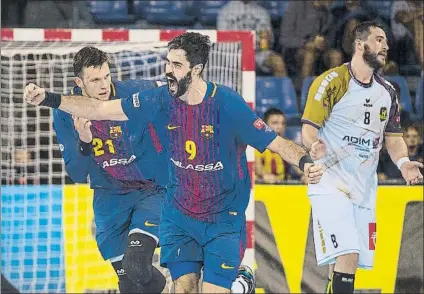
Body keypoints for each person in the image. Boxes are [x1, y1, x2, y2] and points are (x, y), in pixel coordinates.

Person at [24, 32, 324, 293]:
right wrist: (51, 102)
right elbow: (97, 113)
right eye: (167, 63)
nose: (168, 71)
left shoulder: (227, 104)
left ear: (197, 69)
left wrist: (307, 161)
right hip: (160, 209)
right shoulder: (158, 99)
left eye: (176, 65)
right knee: (159, 286)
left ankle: (237, 282)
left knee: (181, 279)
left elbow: (277, 143)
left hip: (201, 208)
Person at [301, 21, 423, 293]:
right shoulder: (332, 82)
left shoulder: (388, 92)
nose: (386, 46)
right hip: (330, 182)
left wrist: (403, 164)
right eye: (379, 39)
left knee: (344, 263)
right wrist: (313, 146)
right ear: (360, 44)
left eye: (386, 41)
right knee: (349, 253)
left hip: (364, 188)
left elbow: (392, 139)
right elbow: (308, 129)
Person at [53, 46, 168, 293]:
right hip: (109, 196)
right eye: (95, 80)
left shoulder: (133, 93)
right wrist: (84, 140)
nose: (104, 85)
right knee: (129, 285)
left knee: (137, 263)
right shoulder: (66, 112)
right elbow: (77, 175)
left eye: (107, 76)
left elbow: (174, 89)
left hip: (150, 188)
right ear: (79, 82)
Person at [217, 0, 287, 77]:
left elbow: (267, 44)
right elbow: (222, 41)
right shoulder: (225, 12)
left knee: (278, 62)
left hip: (258, 53)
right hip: (235, 54)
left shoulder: (262, 12)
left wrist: (267, 40)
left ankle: (281, 89)